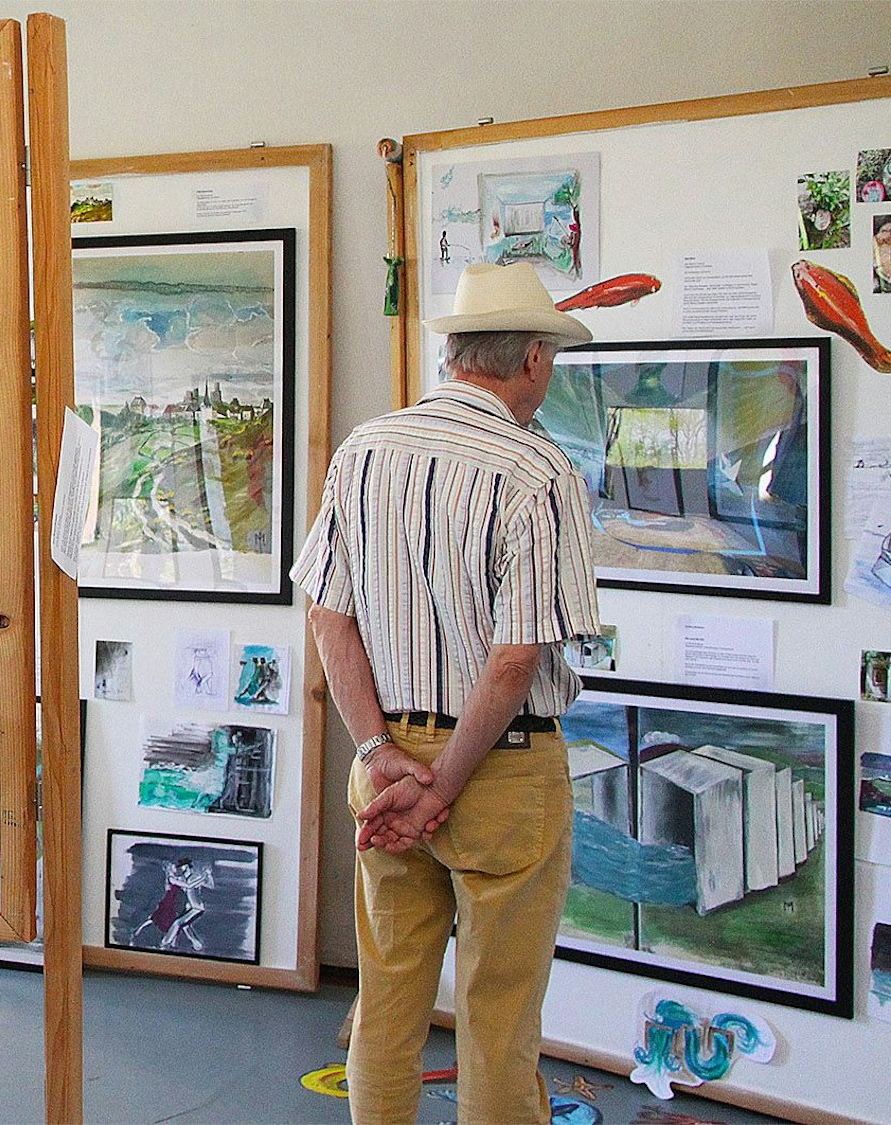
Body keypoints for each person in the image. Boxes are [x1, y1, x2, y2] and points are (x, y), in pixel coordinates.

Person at [290, 262, 600, 1125]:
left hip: (383, 770)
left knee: (387, 1005)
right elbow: (511, 663)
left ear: (458, 352)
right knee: (499, 1022)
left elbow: (328, 618)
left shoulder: (365, 452)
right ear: (533, 359)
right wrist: (448, 782)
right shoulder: (540, 473)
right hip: (497, 773)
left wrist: (385, 755)